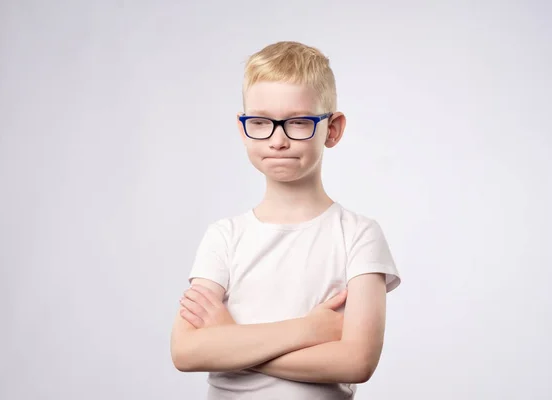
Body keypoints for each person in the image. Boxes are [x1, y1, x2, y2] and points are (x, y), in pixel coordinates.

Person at [170, 40, 401, 399]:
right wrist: (308, 330)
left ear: (333, 129)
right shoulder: (224, 237)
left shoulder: (359, 236)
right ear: (243, 127)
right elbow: (186, 352)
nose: (277, 140)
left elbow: (357, 362)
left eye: (298, 122)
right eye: (260, 122)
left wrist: (230, 342)